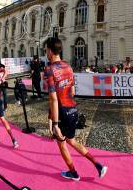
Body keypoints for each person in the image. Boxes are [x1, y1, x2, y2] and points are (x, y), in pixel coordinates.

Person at [43, 37, 107, 181]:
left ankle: (73, 173)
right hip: (72, 109)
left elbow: (53, 98)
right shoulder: (68, 66)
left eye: (46, 49)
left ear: (51, 51)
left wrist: (55, 124)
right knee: (71, 141)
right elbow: (72, 92)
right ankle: (98, 165)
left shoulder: (49, 69)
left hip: (61, 112)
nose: (45, 52)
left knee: (62, 144)